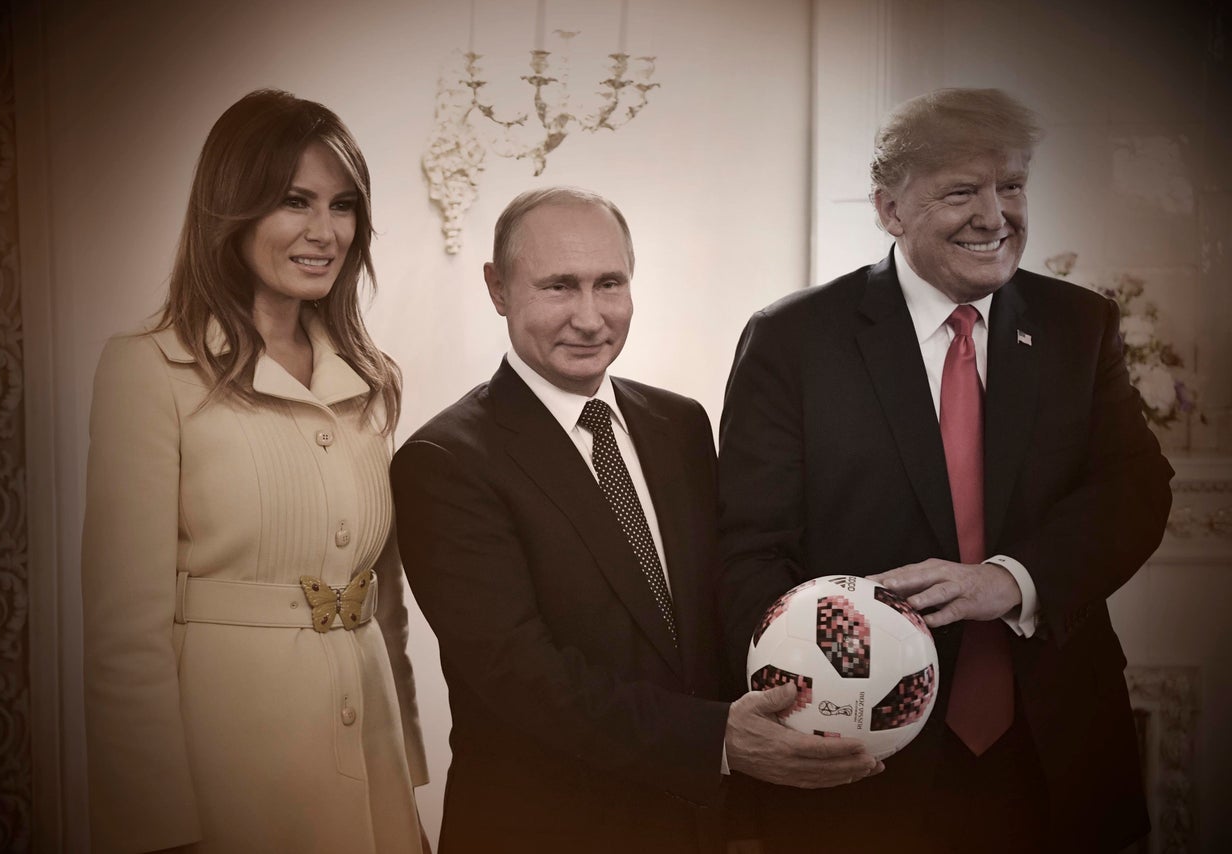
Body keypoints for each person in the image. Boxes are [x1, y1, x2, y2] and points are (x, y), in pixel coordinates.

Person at [718, 87, 1174, 853]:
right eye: (962, 191)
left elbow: (1134, 490)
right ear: (890, 209)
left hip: (1054, 752)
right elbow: (750, 553)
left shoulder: (1079, 325)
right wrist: (817, 697)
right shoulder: (792, 340)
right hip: (862, 764)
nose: (995, 215)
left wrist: (1010, 580)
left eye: (1012, 186)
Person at [390, 187, 881, 854]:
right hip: (547, 829)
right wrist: (715, 741)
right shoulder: (443, 458)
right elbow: (518, 673)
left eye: (609, 284)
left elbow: (707, 618)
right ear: (498, 288)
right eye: (559, 287)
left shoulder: (679, 423)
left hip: (697, 823)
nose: (590, 317)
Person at [82, 89, 428, 853]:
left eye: (342, 206)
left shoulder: (373, 378)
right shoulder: (149, 369)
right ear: (230, 211)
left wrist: (404, 760)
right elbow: (123, 635)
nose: (324, 231)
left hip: (368, 762)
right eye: (292, 201)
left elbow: (385, 596)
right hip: (229, 771)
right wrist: (153, 827)